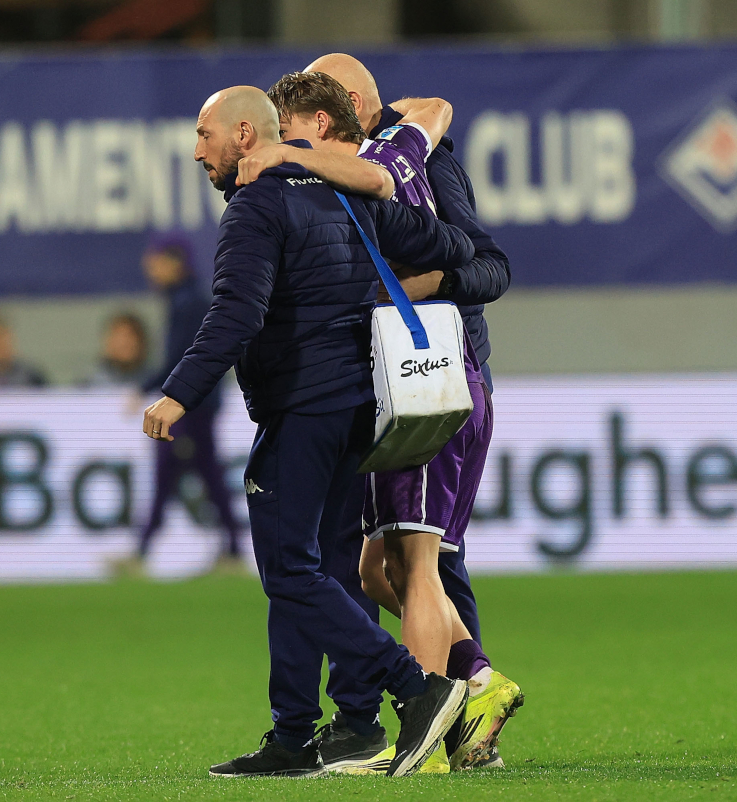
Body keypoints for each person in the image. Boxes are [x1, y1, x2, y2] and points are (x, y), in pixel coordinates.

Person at [141, 85, 477, 778]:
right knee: (321, 568)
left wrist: (177, 394)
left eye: (203, 134)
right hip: (359, 408)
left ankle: (417, 690)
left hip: (304, 408)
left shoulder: (256, 207)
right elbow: (447, 241)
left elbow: (237, 314)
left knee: (289, 571)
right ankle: (306, 733)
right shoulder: (343, 191)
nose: (195, 149)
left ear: (243, 136)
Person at [245, 56, 518, 772]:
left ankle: (426, 737)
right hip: (400, 381)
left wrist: (414, 280)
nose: (281, 141)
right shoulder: (389, 152)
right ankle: (477, 686)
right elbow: (431, 110)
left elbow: (475, 256)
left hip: (429, 376)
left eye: (292, 129)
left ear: (337, 119)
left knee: (418, 562)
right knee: (377, 566)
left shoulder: (376, 164)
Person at [116, 236, 244, 577]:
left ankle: (144, 552)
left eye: (155, 264)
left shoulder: (189, 303)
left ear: (175, 263)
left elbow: (182, 359)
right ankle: (231, 549)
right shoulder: (186, 299)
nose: (151, 271)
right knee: (202, 477)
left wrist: (145, 388)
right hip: (197, 403)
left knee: (175, 476)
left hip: (191, 405)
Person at [87, 311, 150, 387]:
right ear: (108, 342)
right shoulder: (88, 389)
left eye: (130, 336)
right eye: (120, 337)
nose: (125, 342)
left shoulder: (158, 387)